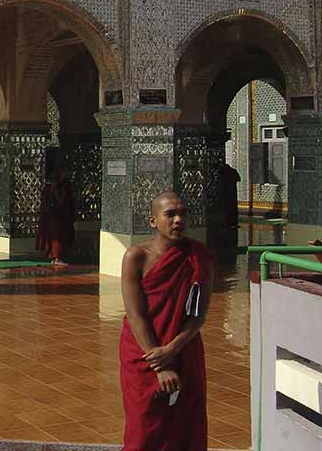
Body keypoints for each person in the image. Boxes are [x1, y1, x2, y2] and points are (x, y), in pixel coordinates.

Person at [120, 191, 214, 450]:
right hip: (143, 352)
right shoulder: (136, 257)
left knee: (186, 423)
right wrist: (160, 364)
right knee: (144, 427)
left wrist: (172, 350)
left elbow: (198, 315)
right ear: (153, 221)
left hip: (184, 348)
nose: (178, 220)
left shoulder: (199, 256)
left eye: (183, 214)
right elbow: (135, 314)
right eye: (170, 214)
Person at [36, 163, 76, 266]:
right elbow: (58, 199)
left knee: (60, 235)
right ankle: (56, 258)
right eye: (64, 171)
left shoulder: (65, 184)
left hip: (61, 215)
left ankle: (55, 258)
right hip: (54, 215)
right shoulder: (54, 185)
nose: (66, 173)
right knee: (56, 236)